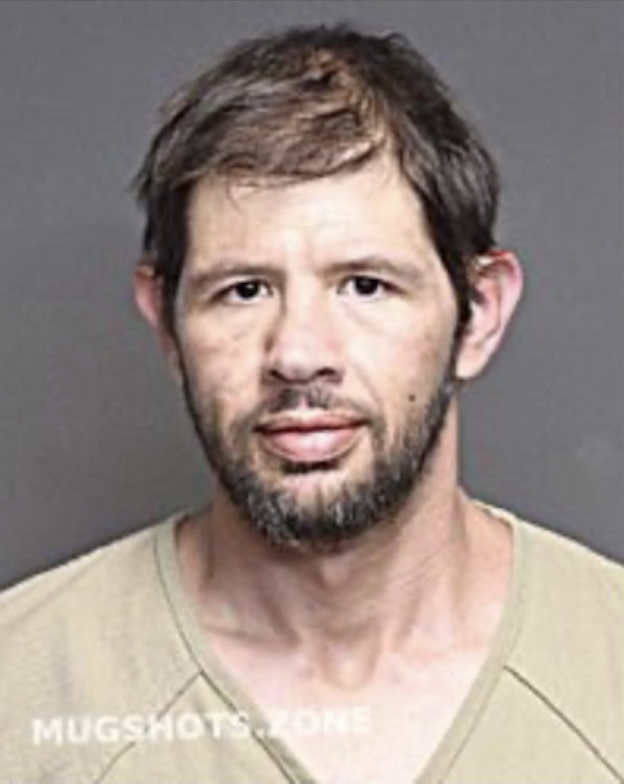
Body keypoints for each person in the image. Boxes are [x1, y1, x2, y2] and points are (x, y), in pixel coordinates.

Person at [1, 23, 622, 784]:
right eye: (244, 290)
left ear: (479, 314)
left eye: (365, 285)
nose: (297, 354)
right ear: (166, 322)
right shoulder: (21, 691)